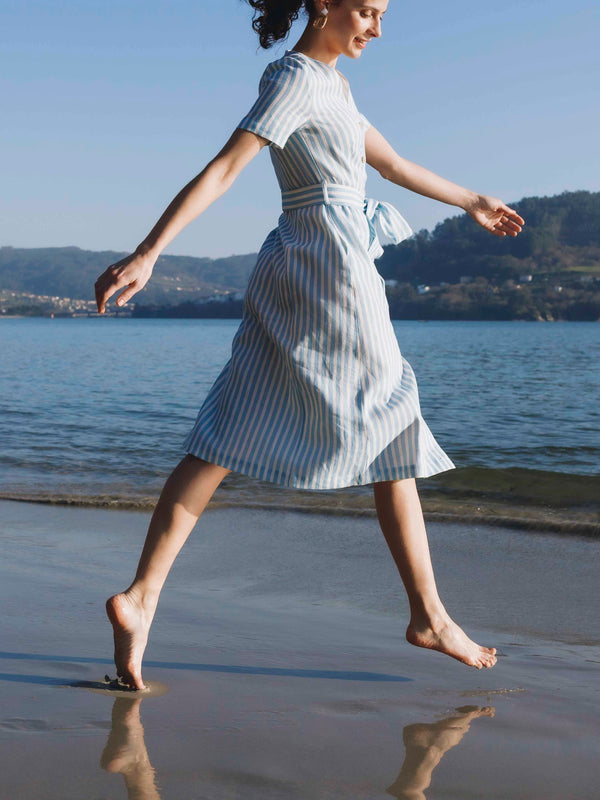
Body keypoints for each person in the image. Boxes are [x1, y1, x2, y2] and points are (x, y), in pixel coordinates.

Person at [95, 0, 524, 690]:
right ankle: (429, 616)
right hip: (331, 268)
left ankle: (141, 598)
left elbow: (391, 164)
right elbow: (225, 168)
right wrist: (150, 252)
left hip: (303, 263)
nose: (377, 28)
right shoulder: (296, 77)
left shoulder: (332, 85)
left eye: (383, 15)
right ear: (325, 4)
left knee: (230, 429)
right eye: (368, 11)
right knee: (392, 420)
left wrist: (472, 199)